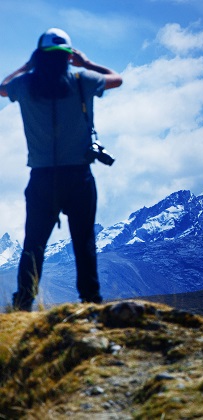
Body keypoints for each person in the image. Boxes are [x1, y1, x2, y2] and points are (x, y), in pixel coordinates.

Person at [0, 28, 123, 311]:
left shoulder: (25, 84)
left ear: (39, 56)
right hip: (79, 175)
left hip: (42, 177)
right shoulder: (83, 80)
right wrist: (87, 62)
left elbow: (2, 86)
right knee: (83, 241)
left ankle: (23, 304)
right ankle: (90, 302)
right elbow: (118, 78)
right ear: (69, 56)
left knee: (34, 244)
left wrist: (27, 66)